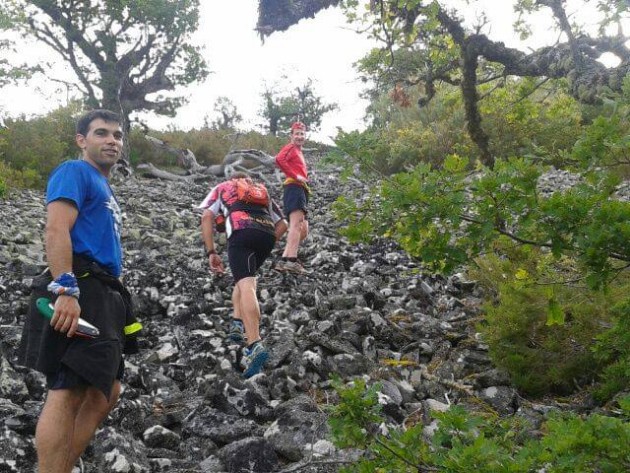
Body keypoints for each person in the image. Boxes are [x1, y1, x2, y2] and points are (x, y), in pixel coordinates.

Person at [18, 109, 141, 473]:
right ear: (81, 140)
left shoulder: (105, 186)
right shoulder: (75, 172)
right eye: (101, 133)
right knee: (69, 388)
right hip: (80, 284)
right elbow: (57, 229)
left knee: (107, 392)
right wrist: (66, 288)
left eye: (117, 135)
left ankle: (60, 467)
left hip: (104, 290)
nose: (112, 141)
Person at [199, 173, 287, 378]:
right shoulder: (260, 191)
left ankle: (255, 343)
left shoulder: (223, 187)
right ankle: (237, 326)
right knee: (244, 280)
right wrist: (268, 239)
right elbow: (283, 223)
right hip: (266, 233)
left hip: (241, 232)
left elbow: (206, 216)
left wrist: (211, 252)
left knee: (247, 285)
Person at [274, 121, 310, 273]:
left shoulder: (298, 151)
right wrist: (295, 175)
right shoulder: (291, 148)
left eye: (302, 134)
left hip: (299, 189)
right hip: (294, 187)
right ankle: (291, 261)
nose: (300, 137)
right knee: (296, 225)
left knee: (301, 226)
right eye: (297, 134)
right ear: (291, 136)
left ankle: (284, 260)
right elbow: (279, 159)